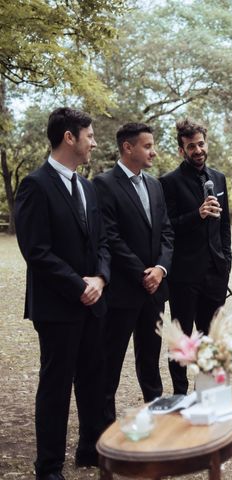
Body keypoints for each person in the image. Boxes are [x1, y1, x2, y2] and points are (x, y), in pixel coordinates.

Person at [14, 107, 111, 480]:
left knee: (93, 380)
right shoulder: (35, 185)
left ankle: (90, 449)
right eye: (89, 135)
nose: (94, 142)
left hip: (93, 301)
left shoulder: (86, 185)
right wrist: (78, 285)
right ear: (69, 137)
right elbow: (36, 251)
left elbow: (101, 241)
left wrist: (100, 279)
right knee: (55, 387)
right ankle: (49, 467)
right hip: (57, 306)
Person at [93, 123, 174, 425]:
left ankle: (157, 423)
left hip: (155, 293)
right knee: (109, 363)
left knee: (150, 363)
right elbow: (110, 237)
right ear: (128, 148)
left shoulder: (155, 185)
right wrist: (143, 272)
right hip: (122, 293)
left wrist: (161, 269)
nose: (153, 151)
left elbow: (167, 231)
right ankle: (102, 434)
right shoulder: (103, 184)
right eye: (148, 145)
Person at [160, 118, 231, 395]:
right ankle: (180, 395)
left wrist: (225, 264)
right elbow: (168, 227)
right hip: (183, 275)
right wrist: (197, 215)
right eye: (191, 146)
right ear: (181, 150)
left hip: (215, 273)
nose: (198, 150)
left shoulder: (220, 178)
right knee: (182, 340)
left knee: (210, 339)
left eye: (201, 144)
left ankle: (208, 391)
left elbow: (224, 228)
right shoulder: (168, 182)